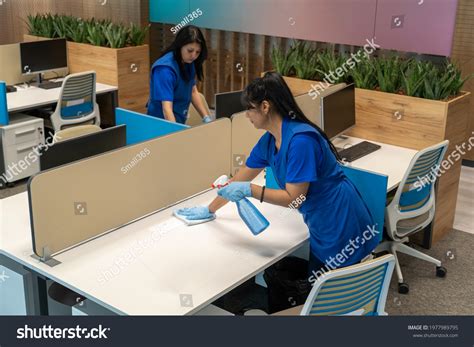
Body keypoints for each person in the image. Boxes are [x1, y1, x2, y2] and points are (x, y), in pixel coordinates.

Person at [177, 72, 378, 276]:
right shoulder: (269, 141)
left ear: (265, 106)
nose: (246, 115)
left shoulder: (301, 141)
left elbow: (295, 198)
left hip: (340, 219)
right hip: (319, 220)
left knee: (333, 293)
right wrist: (210, 209)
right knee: (318, 284)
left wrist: (250, 190)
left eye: (249, 109)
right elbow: (240, 178)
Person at [147, 25, 211, 124]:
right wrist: (176, 132)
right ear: (180, 45)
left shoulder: (188, 62)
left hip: (179, 118)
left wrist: (206, 117)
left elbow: (193, 91)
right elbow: (167, 109)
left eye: (197, 52)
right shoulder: (165, 70)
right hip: (161, 123)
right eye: (190, 51)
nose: (193, 56)